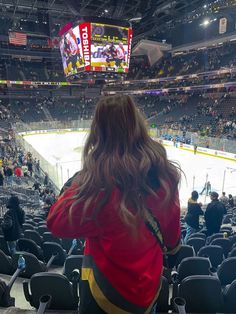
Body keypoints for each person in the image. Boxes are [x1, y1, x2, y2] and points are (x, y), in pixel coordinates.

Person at [47, 95, 181, 314]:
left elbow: (56, 221)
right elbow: (173, 240)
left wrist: (84, 176)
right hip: (148, 290)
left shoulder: (97, 187)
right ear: (138, 124)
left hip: (104, 293)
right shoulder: (165, 176)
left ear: (98, 133)